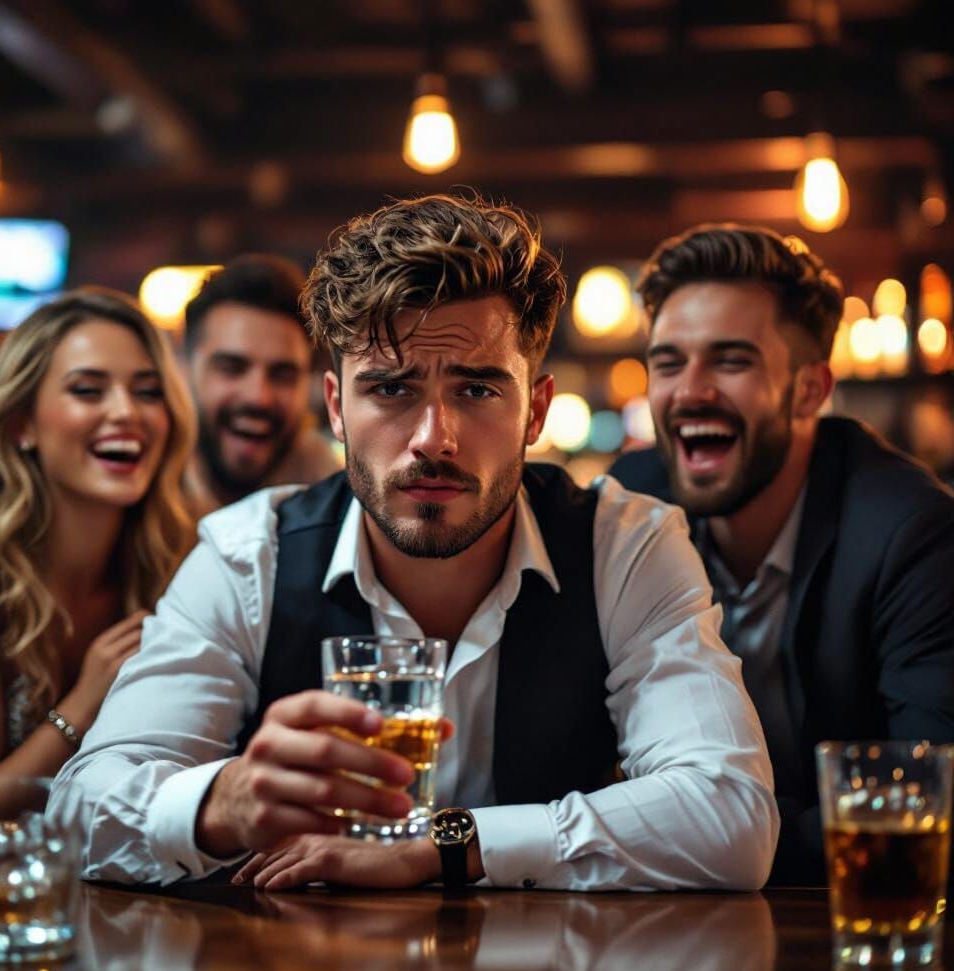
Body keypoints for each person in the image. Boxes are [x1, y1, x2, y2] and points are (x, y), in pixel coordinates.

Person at [51, 194, 777, 892]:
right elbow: (80, 810)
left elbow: (732, 817)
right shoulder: (250, 555)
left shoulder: (626, 545)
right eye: (392, 389)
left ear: (537, 411)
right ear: (336, 406)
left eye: (478, 390)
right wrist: (221, 805)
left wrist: (445, 845)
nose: (435, 440)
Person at [610, 223, 954, 884]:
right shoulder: (627, 510)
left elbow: (924, 793)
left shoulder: (910, 533)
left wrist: (709, 834)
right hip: (659, 931)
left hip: (852, 920)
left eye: (730, 360)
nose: (690, 392)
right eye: (668, 362)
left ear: (810, 390)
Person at [0, 289, 196, 777]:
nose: (126, 413)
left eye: (148, 391)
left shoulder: (176, 548)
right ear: (21, 425)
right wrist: (84, 703)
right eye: (88, 390)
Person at [181, 254, 341, 517]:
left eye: (282, 375)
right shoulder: (139, 494)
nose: (258, 397)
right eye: (232, 368)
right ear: (184, 371)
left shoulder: (330, 494)